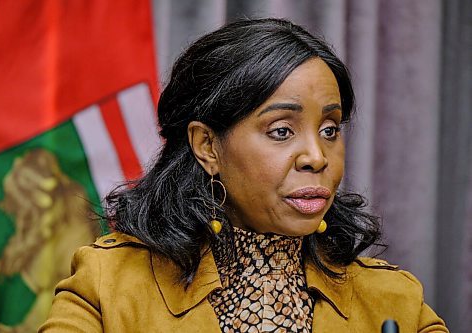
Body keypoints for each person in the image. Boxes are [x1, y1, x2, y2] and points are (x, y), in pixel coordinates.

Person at [39, 18, 448, 332]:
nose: (316, 156)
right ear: (207, 147)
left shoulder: (395, 303)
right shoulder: (107, 287)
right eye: (281, 131)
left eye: (330, 130)